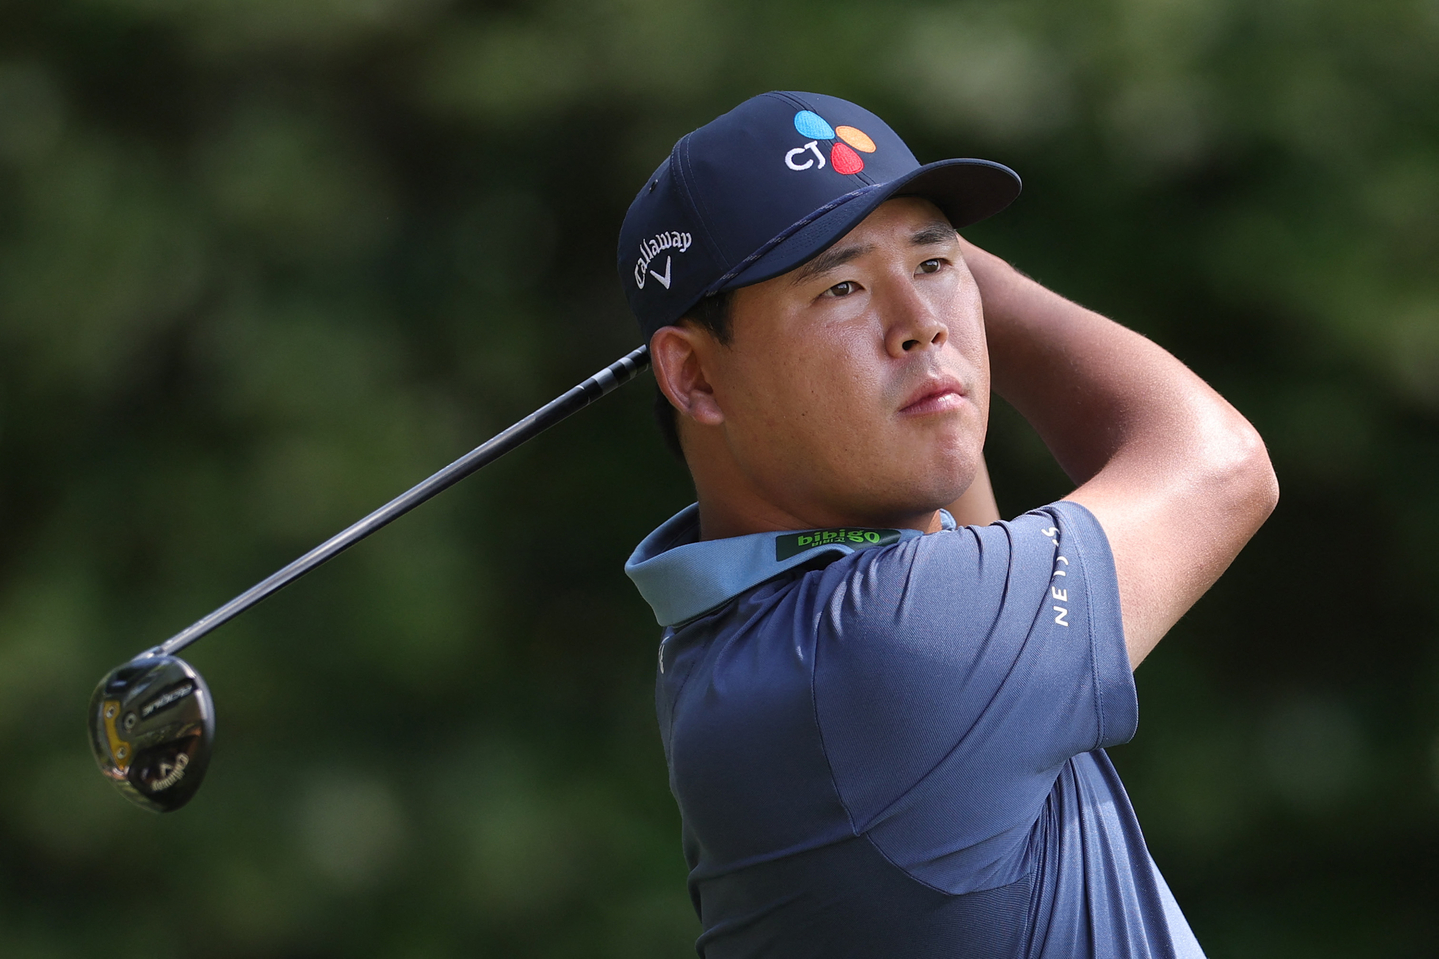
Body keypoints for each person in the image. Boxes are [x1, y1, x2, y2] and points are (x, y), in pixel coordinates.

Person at [616, 91, 1277, 958]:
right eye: (841, 287)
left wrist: (912, 278)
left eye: (935, 266)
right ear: (695, 377)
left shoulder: (756, 635)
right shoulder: (881, 649)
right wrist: (968, 275)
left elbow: (951, 502)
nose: (921, 323)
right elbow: (1219, 465)